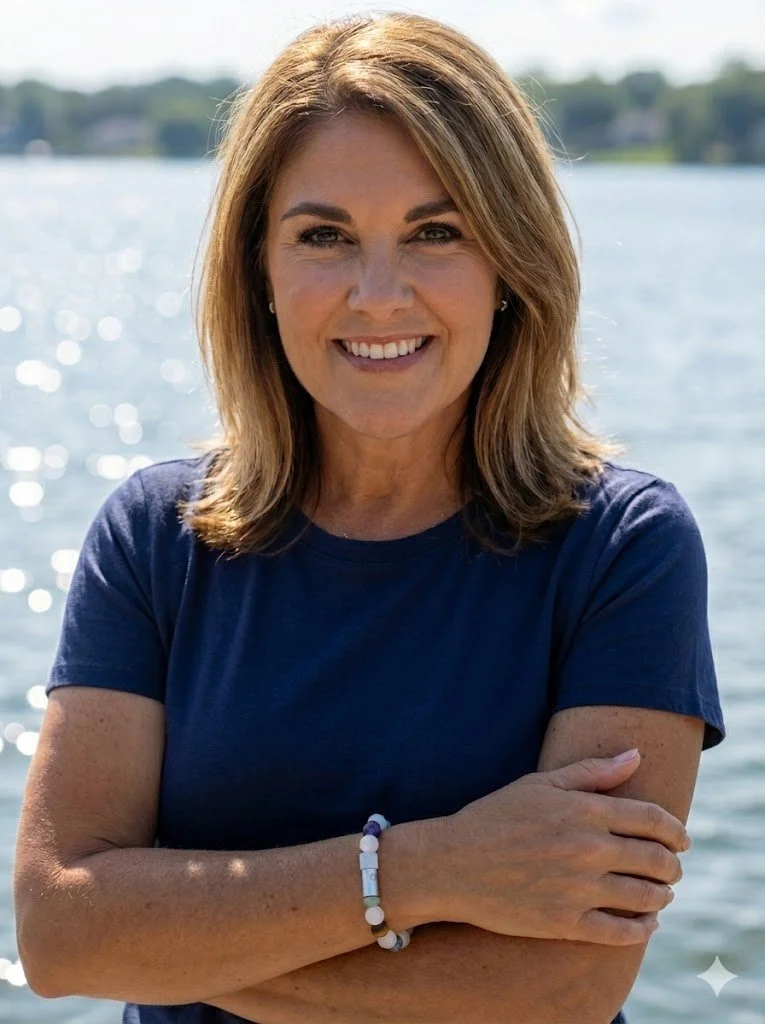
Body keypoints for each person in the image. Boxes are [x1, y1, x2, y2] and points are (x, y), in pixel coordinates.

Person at [13, 11, 725, 1024]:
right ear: (257, 272)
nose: (378, 294)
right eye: (323, 236)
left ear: (507, 266)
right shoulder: (153, 539)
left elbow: (562, 985)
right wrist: (433, 867)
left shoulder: (624, 549)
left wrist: (175, 941)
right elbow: (59, 931)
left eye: (436, 232)